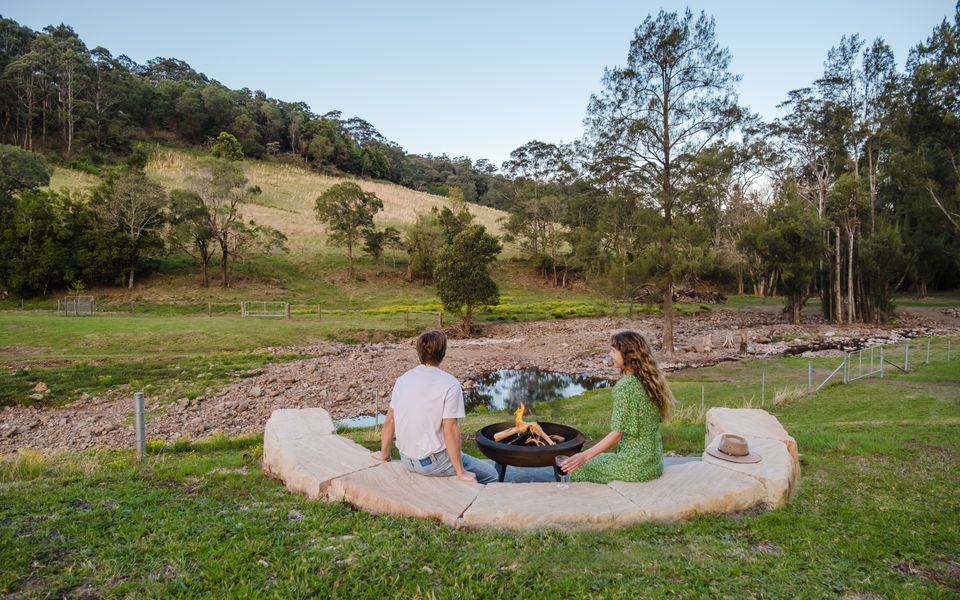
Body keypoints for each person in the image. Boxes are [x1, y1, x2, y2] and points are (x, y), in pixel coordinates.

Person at [371, 329, 498, 484]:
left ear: (419, 351)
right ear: (443, 352)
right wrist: (460, 471)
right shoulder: (450, 384)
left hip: (406, 459)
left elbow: (390, 420)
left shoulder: (403, 379)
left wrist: (384, 454)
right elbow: (450, 429)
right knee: (491, 473)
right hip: (432, 463)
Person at [561, 330, 671, 484]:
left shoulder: (625, 386)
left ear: (628, 355)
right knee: (597, 458)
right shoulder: (650, 382)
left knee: (579, 468)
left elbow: (617, 434)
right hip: (653, 464)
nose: (610, 354)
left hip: (635, 466)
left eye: (613, 351)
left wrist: (583, 457)